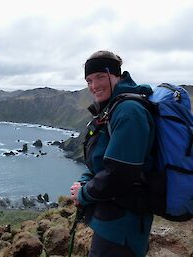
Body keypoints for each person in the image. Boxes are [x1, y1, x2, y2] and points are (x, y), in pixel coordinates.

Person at [70, 50, 155, 257]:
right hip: (113, 220)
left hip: (123, 226)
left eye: (100, 76)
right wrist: (85, 180)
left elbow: (119, 175)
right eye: (89, 80)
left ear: (116, 74)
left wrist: (83, 193)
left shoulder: (128, 111)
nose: (94, 85)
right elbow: (100, 161)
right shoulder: (112, 109)